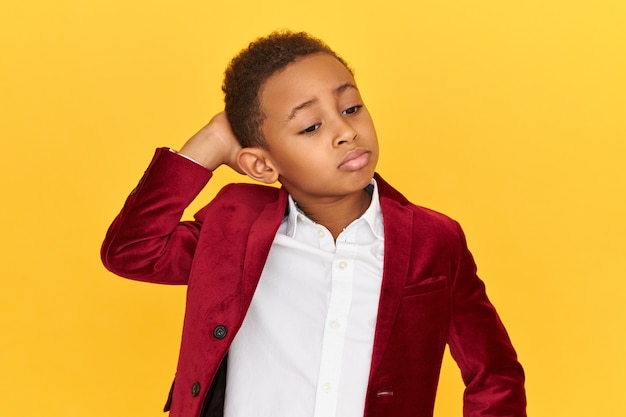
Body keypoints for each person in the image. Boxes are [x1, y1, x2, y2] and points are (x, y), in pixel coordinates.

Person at [101, 31, 526, 417]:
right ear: (260, 164)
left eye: (352, 107)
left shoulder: (435, 240)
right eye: (311, 126)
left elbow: (495, 374)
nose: (345, 131)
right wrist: (211, 143)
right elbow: (132, 251)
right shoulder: (234, 224)